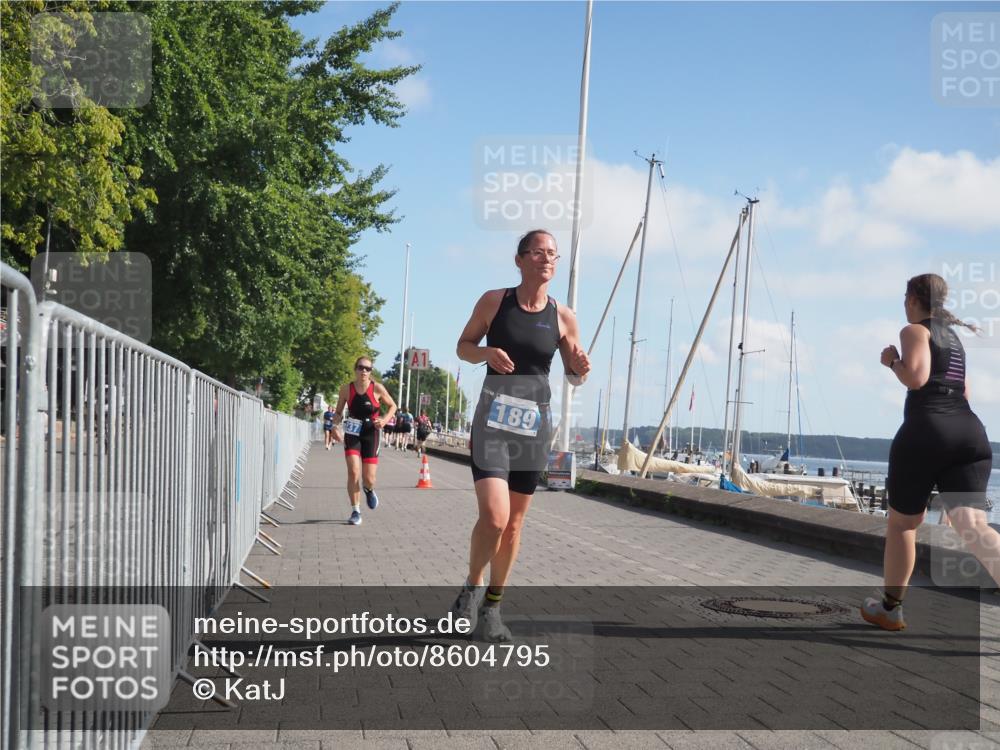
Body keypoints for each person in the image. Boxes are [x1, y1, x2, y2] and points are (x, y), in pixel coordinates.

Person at [450, 229, 590, 641]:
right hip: (492, 420)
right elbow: (462, 346)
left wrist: (581, 367)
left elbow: (573, 376)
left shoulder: (564, 317)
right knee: (493, 517)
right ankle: (470, 589)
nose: (547, 260)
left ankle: (492, 607)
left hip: (534, 428)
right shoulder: (495, 301)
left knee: (513, 526)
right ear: (520, 259)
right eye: (539, 252)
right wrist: (486, 353)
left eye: (553, 254)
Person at [862, 273, 996, 630]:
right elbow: (964, 392)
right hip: (969, 433)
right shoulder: (953, 339)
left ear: (912, 299)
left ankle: (890, 609)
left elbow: (917, 378)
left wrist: (892, 360)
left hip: (926, 432)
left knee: (904, 523)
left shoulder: (915, 331)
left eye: (904, 298)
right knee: (973, 526)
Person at [331, 356, 396, 526]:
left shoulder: (377, 388)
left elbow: (393, 406)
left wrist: (384, 420)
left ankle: (369, 489)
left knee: (369, 477)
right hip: (353, 431)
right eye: (361, 368)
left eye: (368, 369)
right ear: (355, 369)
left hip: (371, 433)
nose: (364, 371)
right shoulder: (346, 389)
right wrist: (333, 427)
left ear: (371, 372)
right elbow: (338, 412)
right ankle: (355, 511)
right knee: (353, 472)